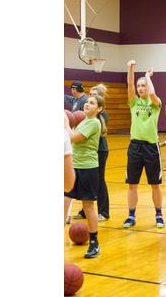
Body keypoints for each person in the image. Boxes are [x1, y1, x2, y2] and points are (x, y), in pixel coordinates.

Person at [64, 94, 106, 258]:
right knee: (64, 201)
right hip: (73, 167)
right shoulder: (84, 121)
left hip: (88, 169)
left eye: (92, 103)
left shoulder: (94, 123)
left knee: (88, 206)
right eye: (87, 102)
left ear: (99, 109)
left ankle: (95, 242)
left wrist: (66, 123)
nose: (87, 104)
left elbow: (72, 137)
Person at [123, 60, 164, 229]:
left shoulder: (156, 103)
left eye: (143, 85)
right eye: (139, 86)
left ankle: (159, 215)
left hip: (151, 147)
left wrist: (148, 76)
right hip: (134, 147)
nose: (140, 88)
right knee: (132, 184)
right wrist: (130, 67)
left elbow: (153, 94)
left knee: (155, 184)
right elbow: (130, 84)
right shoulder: (133, 102)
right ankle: (131, 215)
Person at [74, 84, 111, 221]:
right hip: (88, 150)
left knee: (99, 180)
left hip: (99, 150)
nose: (90, 96)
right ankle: (85, 211)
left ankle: (104, 212)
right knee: (86, 182)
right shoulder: (87, 114)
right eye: (89, 94)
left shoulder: (100, 115)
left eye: (94, 94)